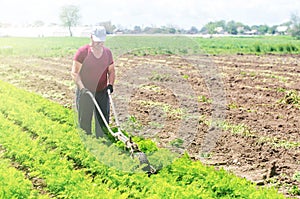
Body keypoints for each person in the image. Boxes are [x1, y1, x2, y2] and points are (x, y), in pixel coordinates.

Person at [71, 26, 115, 138]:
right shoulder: (83, 52)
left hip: (102, 91)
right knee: (85, 121)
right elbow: (75, 73)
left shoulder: (107, 53)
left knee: (103, 121)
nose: (99, 43)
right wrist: (82, 88)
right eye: (97, 41)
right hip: (86, 91)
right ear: (91, 37)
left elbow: (111, 71)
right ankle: (88, 142)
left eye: (101, 41)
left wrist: (110, 85)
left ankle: (103, 142)